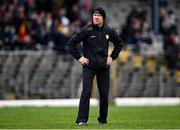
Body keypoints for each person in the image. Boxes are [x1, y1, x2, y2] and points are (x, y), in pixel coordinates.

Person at [67, 7, 123, 126]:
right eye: (94, 15)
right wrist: (79, 57)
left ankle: (102, 120)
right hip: (89, 67)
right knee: (86, 93)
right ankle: (82, 120)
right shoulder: (86, 30)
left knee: (104, 95)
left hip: (103, 68)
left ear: (103, 18)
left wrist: (112, 57)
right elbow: (71, 43)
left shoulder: (109, 31)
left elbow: (119, 44)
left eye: (98, 15)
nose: (96, 17)